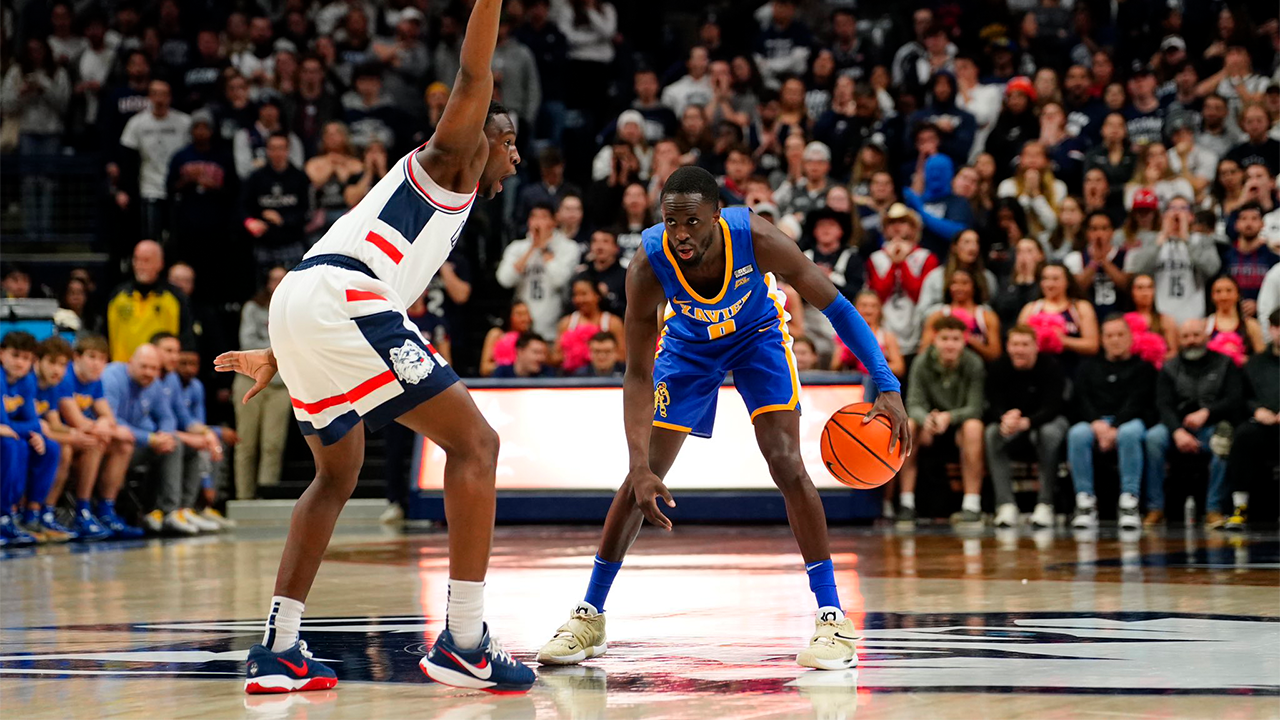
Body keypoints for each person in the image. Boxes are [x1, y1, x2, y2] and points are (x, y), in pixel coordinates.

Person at [214, 0, 536, 694]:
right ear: (487, 135)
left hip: (307, 300)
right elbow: (474, 72)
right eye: (511, 142)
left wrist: (285, 353)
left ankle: (280, 649)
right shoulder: (449, 160)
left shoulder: (438, 202)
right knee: (477, 446)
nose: (516, 155)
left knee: (337, 474)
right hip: (342, 298)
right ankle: (466, 642)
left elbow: (330, 273)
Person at [534, 167, 908, 672]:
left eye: (692, 221)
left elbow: (836, 306)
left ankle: (832, 618)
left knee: (786, 463)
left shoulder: (758, 237)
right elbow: (638, 373)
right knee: (641, 478)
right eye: (672, 222)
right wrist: (638, 461)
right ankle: (589, 615)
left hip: (758, 337)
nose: (681, 233)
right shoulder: (647, 264)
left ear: (716, 215)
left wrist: (886, 383)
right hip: (688, 349)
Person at [1144, 319, 1242, 528]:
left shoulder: (1225, 363)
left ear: (1206, 337)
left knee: (1223, 441)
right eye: (1186, 336)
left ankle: (1214, 509)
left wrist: (1207, 412)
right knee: (1153, 438)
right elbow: (1163, 404)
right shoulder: (1169, 367)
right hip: (1176, 427)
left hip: (1212, 425)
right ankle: (1155, 507)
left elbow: (1235, 398)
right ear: (1179, 340)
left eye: (1196, 335)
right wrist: (1178, 431)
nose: (1191, 341)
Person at [1069, 315, 1158, 531]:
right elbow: (1081, 399)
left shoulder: (1143, 368)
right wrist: (1096, 423)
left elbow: (1139, 401)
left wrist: (1115, 426)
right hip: (1095, 423)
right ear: (1102, 339)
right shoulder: (1087, 367)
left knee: (1130, 433)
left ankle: (1129, 501)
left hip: (1128, 421)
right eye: (1109, 335)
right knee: (1077, 434)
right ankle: (1085, 502)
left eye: (1120, 334)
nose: (1115, 340)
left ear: (1130, 337)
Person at [898, 315, 985, 528]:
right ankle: (906, 503)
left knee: (974, 427)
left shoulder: (974, 363)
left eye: (955, 339)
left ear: (964, 341)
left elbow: (976, 407)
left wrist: (949, 417)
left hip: (959, 427)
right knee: (908, 425)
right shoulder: (921, 362)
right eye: (945, 338)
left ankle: (971, 505)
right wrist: (926, 418)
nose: (950, 344)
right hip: (929, 425)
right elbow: (913, 403)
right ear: (935, 340)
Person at [53, 335, 137, 539]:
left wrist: (105, 425)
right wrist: (105, 427)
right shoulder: (66, 377)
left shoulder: (96, 381)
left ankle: (106, 510)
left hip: (80, 437)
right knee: (96, 442)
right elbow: (76, 420)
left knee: (123, 445)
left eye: (102, 359)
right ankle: (82, 510)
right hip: (60, 435)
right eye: (92, 357)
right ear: (76, 357)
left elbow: (108, 416)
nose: (97, 364)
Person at [986, 325, 1069, 530]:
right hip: (1013, 424)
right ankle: (1005, 505)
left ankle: (1045, 504)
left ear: (1036, 347)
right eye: (1015, 344)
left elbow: (1054, 406)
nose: (1019, 350)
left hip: (1047, 420)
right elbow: (991, 402)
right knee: (991, 434)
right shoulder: (999, 367)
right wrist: (1004, 418)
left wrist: (1027, 422)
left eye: (1025, 344)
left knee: (1047, 433)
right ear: (1007, 346)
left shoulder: (1050, 366)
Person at [0, 332, 61, 545]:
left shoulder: (26, 381)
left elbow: (33, 422)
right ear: (1, 354)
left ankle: (32, 515)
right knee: (12, 445)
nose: (20, 362)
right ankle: (5, 515)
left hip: (9, 434)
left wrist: (29, 432)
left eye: (26, 358)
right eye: (15, 355)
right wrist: (22, 430)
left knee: (49, 447)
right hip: (6, 440)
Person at [1224, 309, 1279, 530]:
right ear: (1271, 330)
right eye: (1277, 327)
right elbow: (1241, 398)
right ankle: (1240, 506)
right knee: (1244, 435)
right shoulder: (1254, 364)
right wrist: (1256, 410)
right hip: (1263, 426)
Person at [1125, 197, 1221, 324]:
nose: (1177, 213)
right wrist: (1162, 238)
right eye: (1172, 208)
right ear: (1164, 215)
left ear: (1191, 216)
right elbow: (1136, 269)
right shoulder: (1151, 240)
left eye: (1183, 209)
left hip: (1193, 318)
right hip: (1160, 318)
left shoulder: (1201, 240)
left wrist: (1186, 240)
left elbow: (1212, 268)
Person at [496, 202, 580, 341]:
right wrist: (531, 249)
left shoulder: (569, 247)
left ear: (554, 221)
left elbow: (559, 280)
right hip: (520, 328)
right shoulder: (517, 247)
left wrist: (543, 249)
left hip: (552, 327)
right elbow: (505, 280)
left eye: (544, 217)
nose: (538, 222)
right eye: (534, 217)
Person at [864, 204, 939, 356]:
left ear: (913, 228)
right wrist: (893, 263)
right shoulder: (875, 258)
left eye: (903, 222)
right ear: (885, 229)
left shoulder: (926, 257)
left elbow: (920, 295)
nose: (897, 227)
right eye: (891, 223)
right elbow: (879, 296)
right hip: (886, 328)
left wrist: (902, 262)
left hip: (915, 325)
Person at [105, 240, 195, 363]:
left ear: (160, 263)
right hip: (123, 370)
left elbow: (186, 339)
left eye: (146, 260)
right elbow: (103, 334)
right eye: (136, 259)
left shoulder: (176, 298)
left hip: (161, 373)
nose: (140, 265)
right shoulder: (117, 295)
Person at [242, 133, 314, 277]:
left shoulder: (300, 178)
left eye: (281, 148)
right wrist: (251, 222)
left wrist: (282, 220)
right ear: (267, 151)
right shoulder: (255, 178)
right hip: (263, 243)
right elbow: (243, 207)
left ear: (288, 150)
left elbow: (307, 211)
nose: (277, 153)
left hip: (292, 242)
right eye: (273, 148)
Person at [1017, 263, 1100, 376]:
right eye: (1045, 279)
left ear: (1067, 282)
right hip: (1037, 372)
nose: (1049, 284)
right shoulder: (1030, 309)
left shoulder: (1080, 307)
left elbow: (1092, 345)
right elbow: (1018, 342)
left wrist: (1063, 341)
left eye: (1055, 279)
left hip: (1071, 370)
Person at [917, 268, 1002, 362]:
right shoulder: (937, 316)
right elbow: (923, 352)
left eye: (965, 283)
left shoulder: (987, 316)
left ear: (974, 286)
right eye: (954, 283)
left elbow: (995, 354)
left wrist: (969, 339)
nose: (959, 287)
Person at [1065, 211, 1130, 320]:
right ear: (1087, 232)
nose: (1099, 234)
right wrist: (1094, 262)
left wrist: (1104, 261)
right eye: (1094, 229)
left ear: (1112, 232)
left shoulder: (1126, 256)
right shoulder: (1076, 257)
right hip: (1087, 317)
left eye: (1104, 228)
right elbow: (1077, 288)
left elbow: (1125, 285)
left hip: (1120, 314)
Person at [556, 278, 624, 374]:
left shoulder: (613, 322)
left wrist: (598, 356)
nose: (579, 299)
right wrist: (574, 355)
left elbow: (622, 356)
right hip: (573, 379)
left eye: (584, 294)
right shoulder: (566, 323)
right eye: (576, 295)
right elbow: (556, 357)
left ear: (597, 295)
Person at [1224, 203, 1279, 316]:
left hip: (1265, 317)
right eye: (1244, 218)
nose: (1249, 223)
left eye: (1254, 219)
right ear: (1236, 224)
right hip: (1231, 315)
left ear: (1262, 224)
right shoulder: (1226, 257)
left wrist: (1258, 304)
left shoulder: (1273, 259)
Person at [1206, 276, 1266, 360]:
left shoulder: (1251, 325)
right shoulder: (1206, 325)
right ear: (1212, 296)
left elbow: (1262, 358)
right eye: (1218, 291)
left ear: (1238, 294)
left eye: (1229, 290)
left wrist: (1241, 359)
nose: (1224, 296)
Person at [480, 301, 534, 377]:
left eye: (526, 314)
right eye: (519, 314)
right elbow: (484, 368)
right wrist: (508, 365)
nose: (524, 319)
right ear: (509, 316)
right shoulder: (497, 334)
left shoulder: (533, 339)